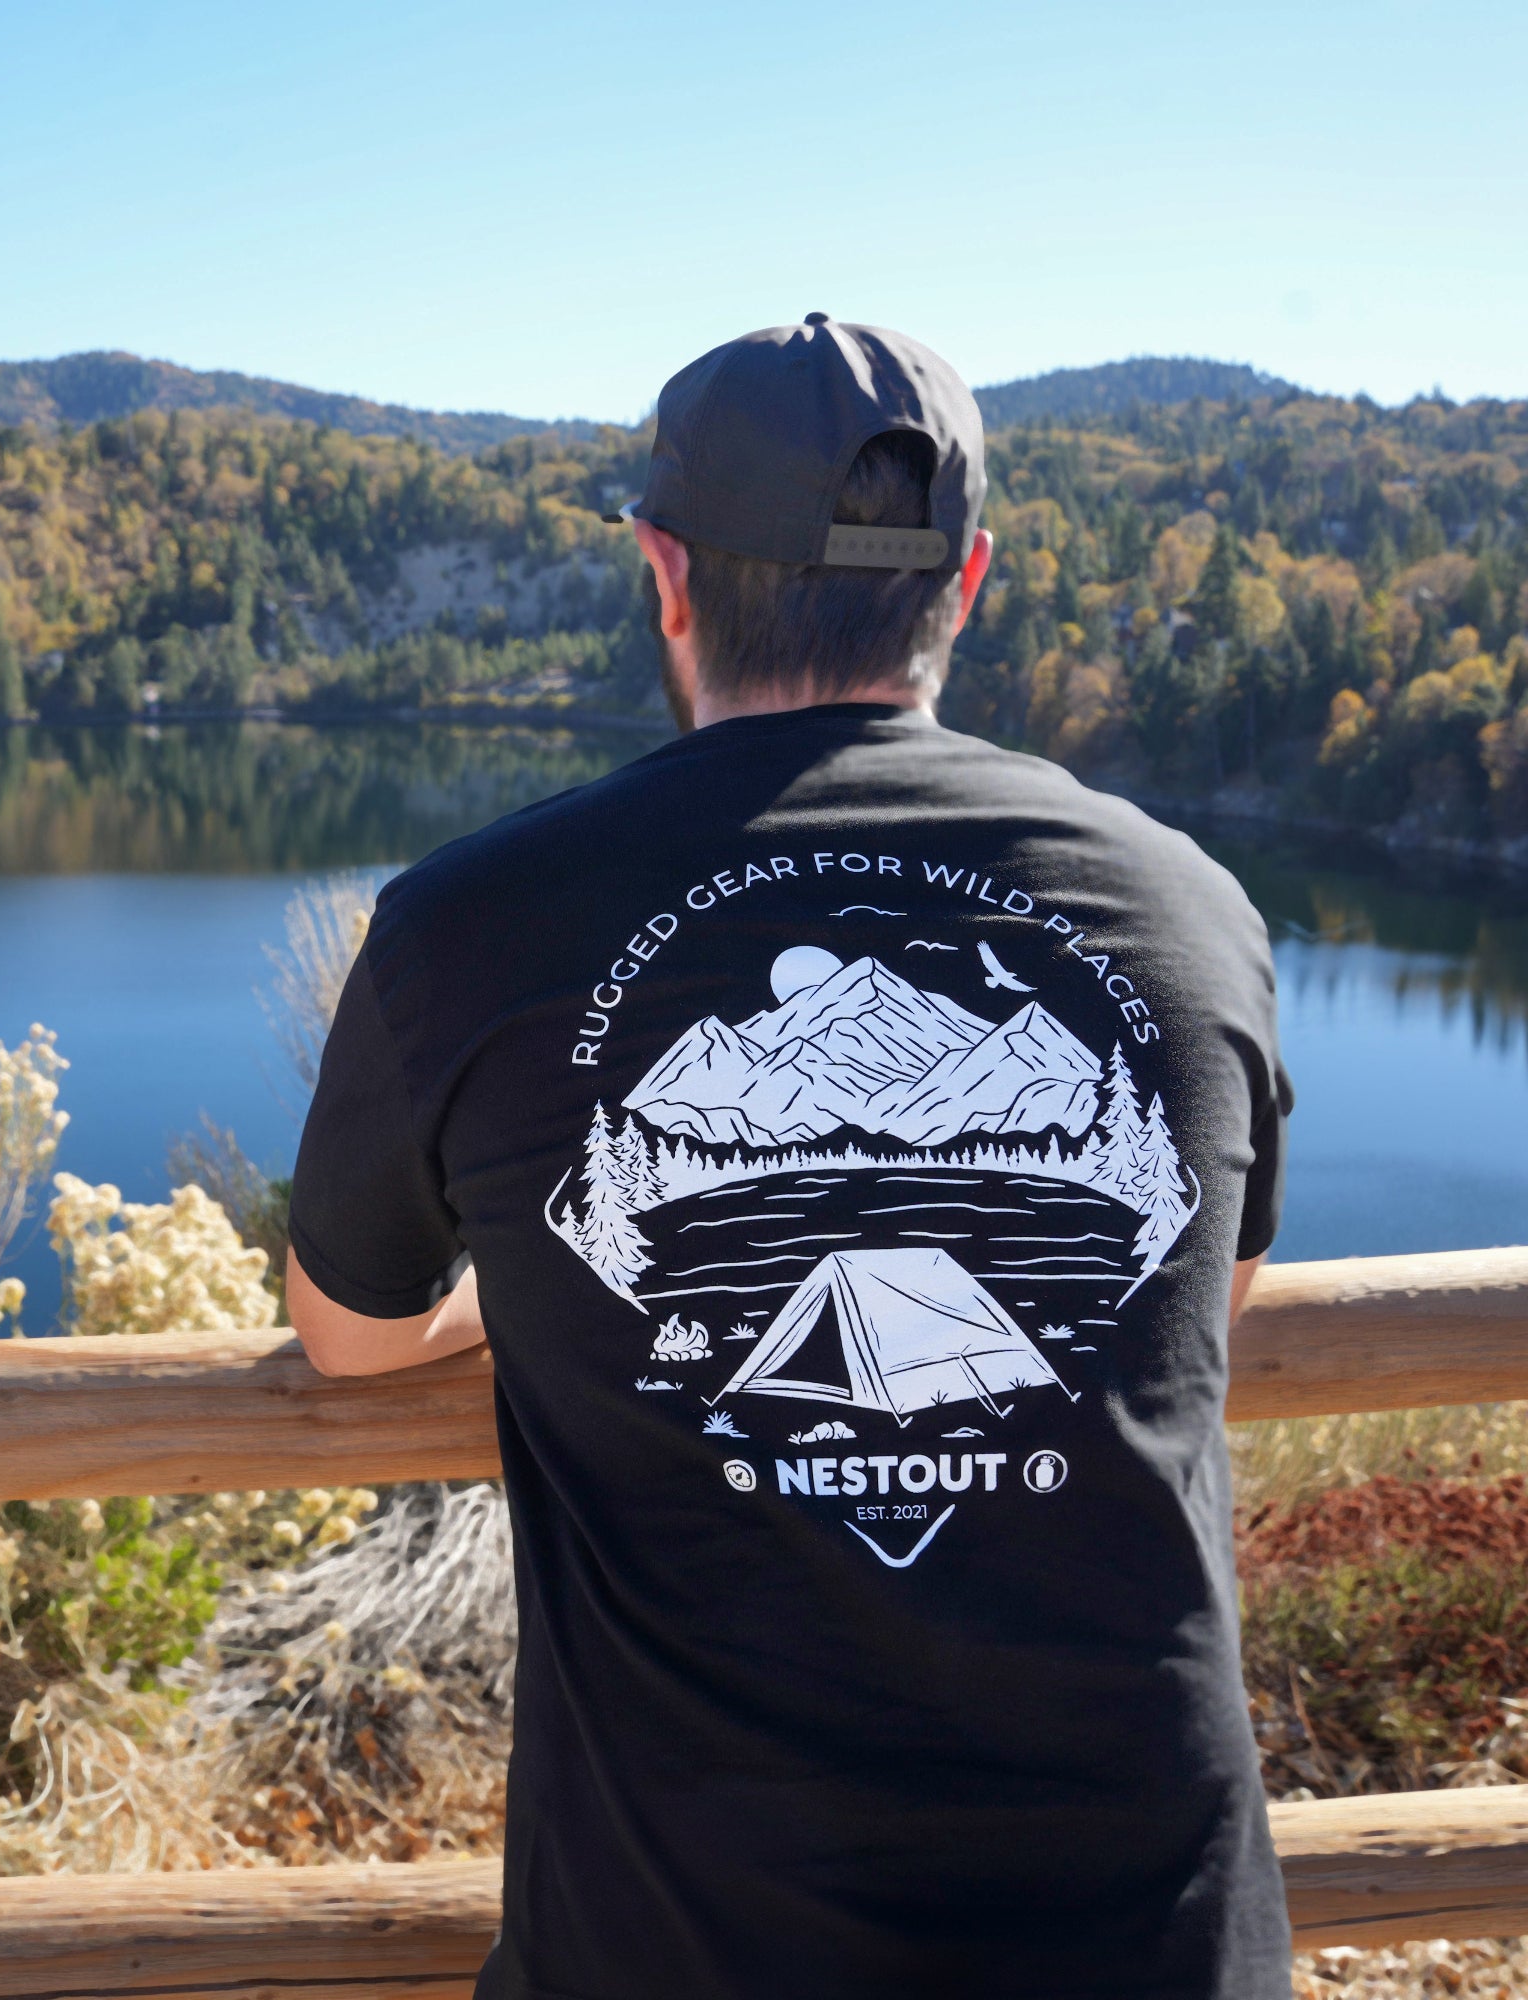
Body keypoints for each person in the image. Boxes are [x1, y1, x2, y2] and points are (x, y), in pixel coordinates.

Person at [284, 317, 1294, 2000]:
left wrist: (527, 1281)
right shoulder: (1192, 910)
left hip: (679, 1950)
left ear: (664, 577)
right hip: (1157, 1945)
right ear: (964, 579)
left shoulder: (464, 927)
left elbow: (351, 1335)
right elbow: (1215, 1282)